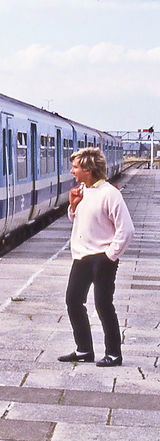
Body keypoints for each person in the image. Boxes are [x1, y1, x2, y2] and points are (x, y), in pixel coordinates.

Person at [58, 147, 134, 367]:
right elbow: (81, 221)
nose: (72, 171)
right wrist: (72, 206)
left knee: (103, 304)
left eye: (76, 167)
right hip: (81, 257)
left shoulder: (110, 194)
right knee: (73, 301)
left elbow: (126, 230)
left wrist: (110, 255)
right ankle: (84, 350)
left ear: (88, 170)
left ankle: (114, 354)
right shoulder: (83, 190)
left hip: (102, 258)